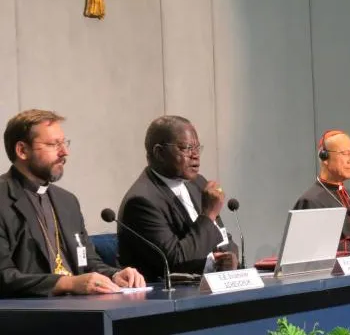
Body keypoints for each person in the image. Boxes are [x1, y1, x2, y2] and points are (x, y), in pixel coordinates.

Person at [0, 109, 145, 297]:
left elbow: (89, 263)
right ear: (22, 150)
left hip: (80, 306)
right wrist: (67, 283)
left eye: (64, 143)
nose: (64, 152)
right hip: (32, 309)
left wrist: (115, 275)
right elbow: (4, 276)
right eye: (53, 144)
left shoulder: (66, 201)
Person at [118, 116, 238, 282]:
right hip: (167, 293)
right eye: (186, 148)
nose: (195, 155)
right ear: (159, 153)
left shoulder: (198, 183)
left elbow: (223, 237)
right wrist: (208, 214)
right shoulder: (141, 202)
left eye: (197, 148)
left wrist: (231, 256)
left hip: (210, 284)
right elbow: (175, 262)